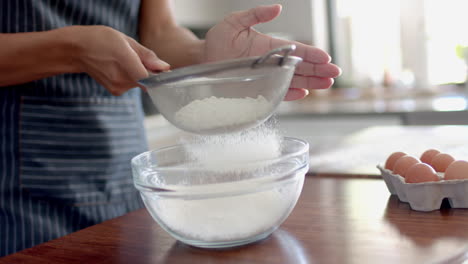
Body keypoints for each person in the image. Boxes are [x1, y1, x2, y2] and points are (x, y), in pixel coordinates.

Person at [0, 1, 341, 256]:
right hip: (17, 186)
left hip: (122, 174)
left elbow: (159, 34)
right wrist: (71, 48)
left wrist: (205, 53)